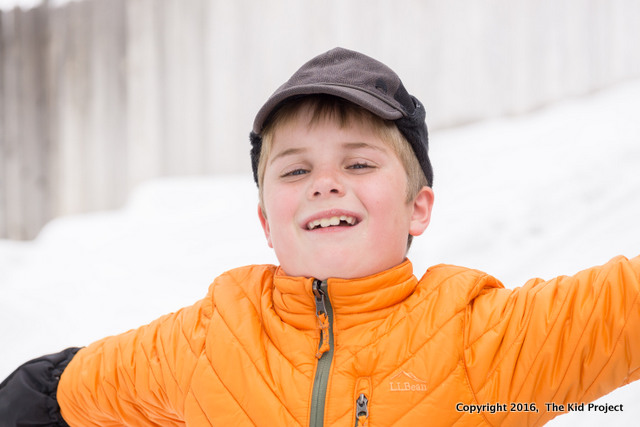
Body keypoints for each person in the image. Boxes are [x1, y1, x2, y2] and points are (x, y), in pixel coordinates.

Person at [1, 47, 639, 427]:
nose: (324, 184)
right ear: (265, 223)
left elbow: (622, 309)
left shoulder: (486, 340)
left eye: (358, 164)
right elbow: (59, 394)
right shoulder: (207, 339)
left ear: (419, 209)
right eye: (296, 169)